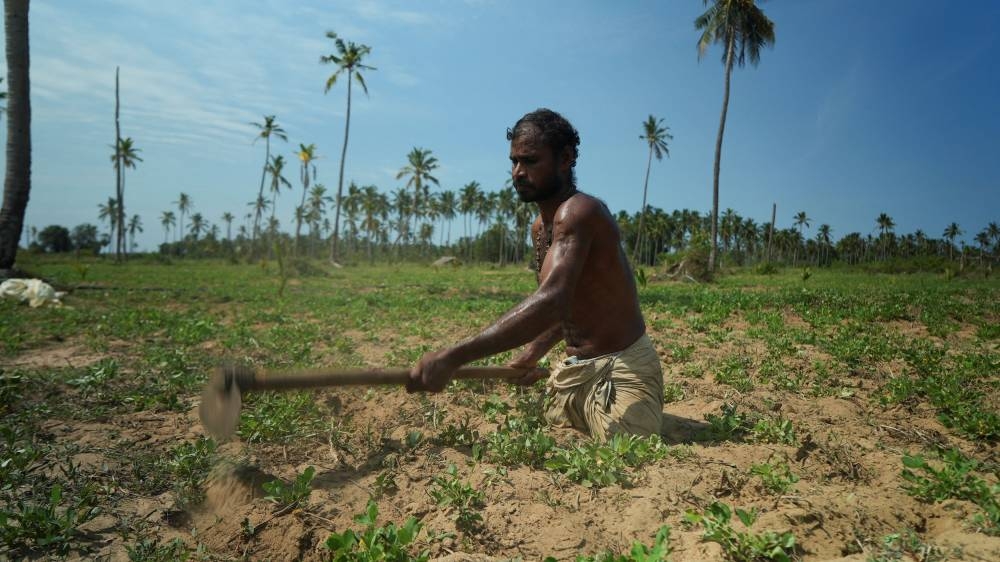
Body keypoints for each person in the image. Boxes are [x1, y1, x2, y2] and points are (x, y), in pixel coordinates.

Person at [408, 108, 663, 442]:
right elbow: (567, 308)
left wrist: (454, 356)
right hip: (576, 369)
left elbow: (552, 301)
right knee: (555, 431)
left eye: (530, 161)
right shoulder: (539, 228)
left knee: (626, 449)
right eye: (514, 161)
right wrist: (531, 355)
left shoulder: (581, 212)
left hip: (622, 367)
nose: (517, 173)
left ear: (566, 158)